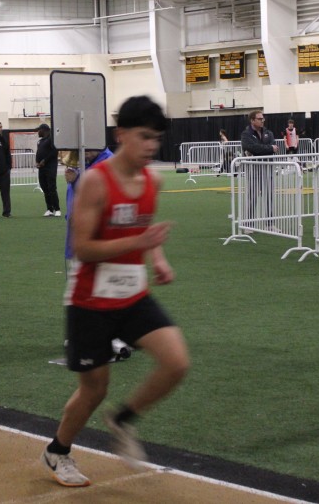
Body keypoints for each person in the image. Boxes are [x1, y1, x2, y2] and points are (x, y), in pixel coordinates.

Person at [43, 96, 188, 488]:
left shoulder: (152, 181)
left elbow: (143, 227)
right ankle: (57, 451)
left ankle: (122, 420)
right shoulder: (96, 181)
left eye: (156, 139)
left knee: (176, 362)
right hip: (90, 300)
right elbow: (84, 248)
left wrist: (157, 257)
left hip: (132, 295)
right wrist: (140, 243)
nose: (151, 146)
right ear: (121, 134)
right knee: (94, 389)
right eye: (144, 137)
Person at [62, 147, 114, 260]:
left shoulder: (108, 162)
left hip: (97, 238)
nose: (85, 149)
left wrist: (76, 180)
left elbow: (98, 193)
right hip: (81, 231)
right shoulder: (85, 161)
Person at [240, 110, 278, 221]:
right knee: (252, 197)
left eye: (263, 119)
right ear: (252, 120)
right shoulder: (246, 134)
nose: (262, 121)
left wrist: (265, 149)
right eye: (259, 119)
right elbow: (251, 148)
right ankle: (249, 223)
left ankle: (270, 224)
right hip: (254, 170)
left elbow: (273, 147)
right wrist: (269, 148)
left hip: (268, 168)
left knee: (269, 197)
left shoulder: (268, 133)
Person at [35, 123, 61, 217]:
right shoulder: (40, 141)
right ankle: (49, 209)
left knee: (51, 188)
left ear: (44, 130)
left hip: (50, 167)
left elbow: (54, 151)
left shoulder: (51, 139)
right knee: (45, 188)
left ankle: (57, 209)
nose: (38, 132)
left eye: (39, 130)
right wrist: (37, 162)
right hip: (41, 168)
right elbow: (39, 153)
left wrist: (44, 160)